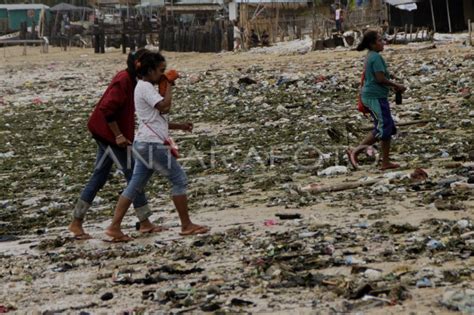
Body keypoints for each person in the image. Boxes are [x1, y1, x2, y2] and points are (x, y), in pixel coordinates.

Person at [105, 52, 209, 242]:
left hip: (144, 142)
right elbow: (164, 107)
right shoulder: (145, 87)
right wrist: (168, 84)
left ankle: (114, 227)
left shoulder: (143, 87)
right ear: (150, 70)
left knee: (135, 185)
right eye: (160, 71)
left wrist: (180, 126)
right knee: (179, 179)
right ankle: (186, 225)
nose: (162, 74)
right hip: (151, 145)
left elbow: (154, 119)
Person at [68, 49, 164, 240]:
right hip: (108, 135)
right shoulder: (124, 80)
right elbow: (106, 109)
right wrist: (119, 135)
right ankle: (138, 222)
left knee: (100, 175)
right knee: (133, 174)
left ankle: (76, 221)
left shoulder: (135, 81)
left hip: (105, 133)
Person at [347, 30, 406, 171]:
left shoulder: (372, 56)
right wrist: (396, 85)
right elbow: (379, 79)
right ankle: (357, 153)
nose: (383, 42)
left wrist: (391, 85)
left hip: (376, 96)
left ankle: (383, 161)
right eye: (380, 40)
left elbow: (377, 77)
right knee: (384, 127)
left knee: (387, 127)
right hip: (374, 98)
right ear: (372, 44)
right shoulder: (375, 57)